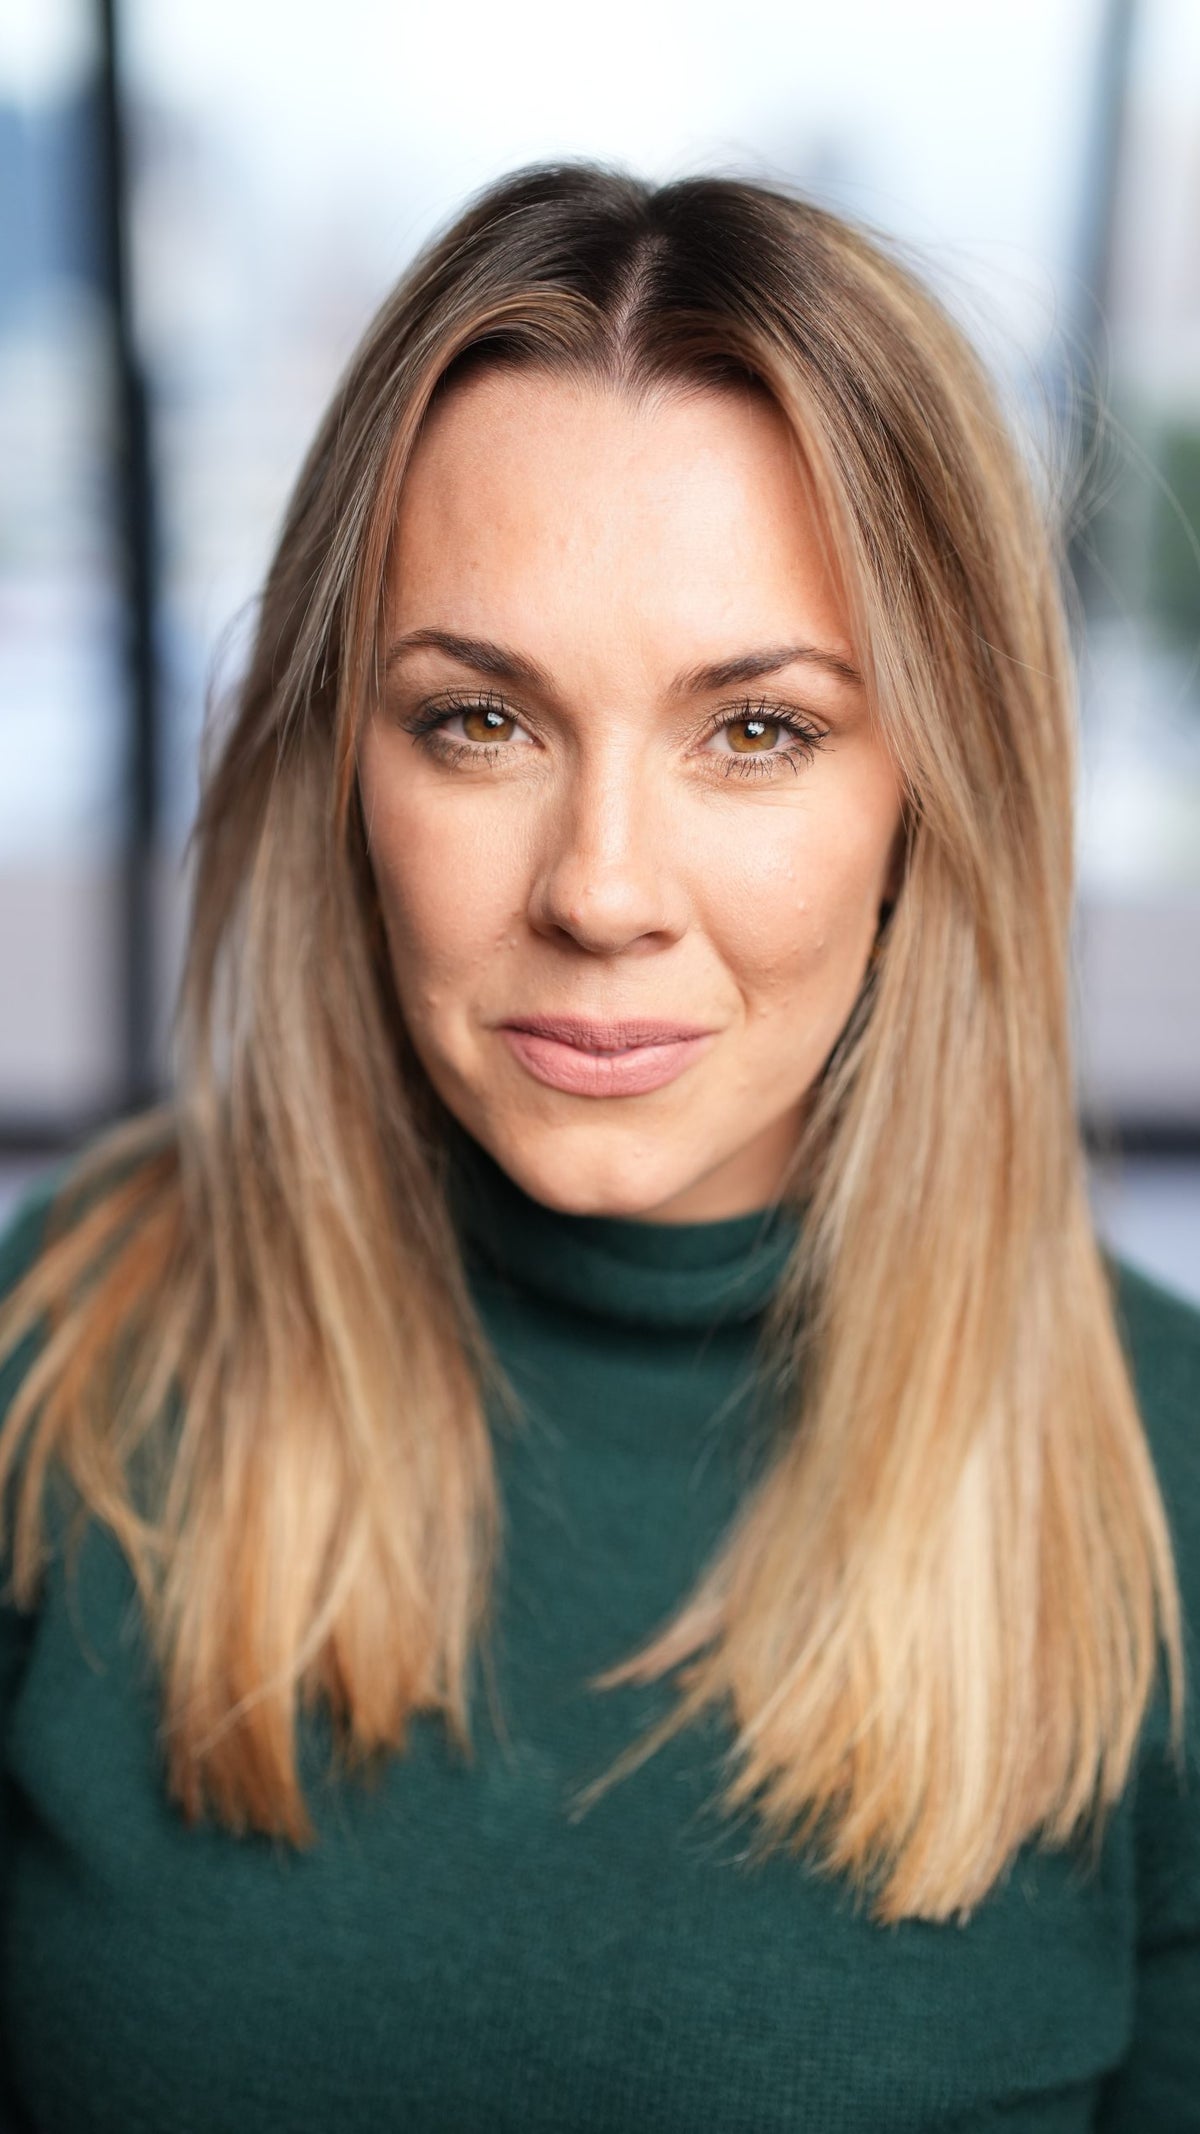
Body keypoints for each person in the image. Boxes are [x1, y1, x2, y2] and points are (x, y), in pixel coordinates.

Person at [0, 159, 1196, 2134]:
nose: (603, 888)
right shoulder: (59, 1357)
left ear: (931, 788)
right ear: (343, 768)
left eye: (757, 730)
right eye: (480, 720)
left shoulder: (1168, 1486)